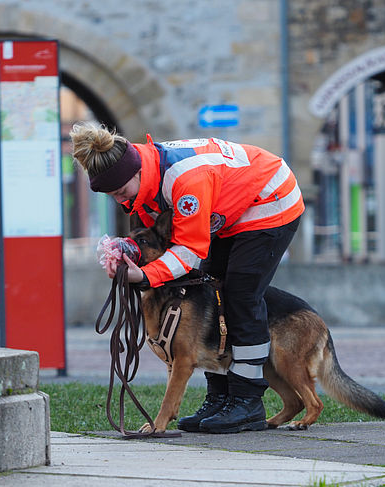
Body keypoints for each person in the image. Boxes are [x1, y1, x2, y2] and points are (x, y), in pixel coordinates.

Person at [70, 122, 304, 433]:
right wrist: (127, 257)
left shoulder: (184, 180)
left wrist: (144, 277)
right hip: (230, 209)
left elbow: (190, 250)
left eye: (120, 192)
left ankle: (247, 400)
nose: (119, 200)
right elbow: (159, 240)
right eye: (111, 195)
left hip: (271, 200)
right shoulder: (139, 173)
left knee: (240, 294)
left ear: (135, 174)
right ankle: (221, 396)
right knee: (212, 289)